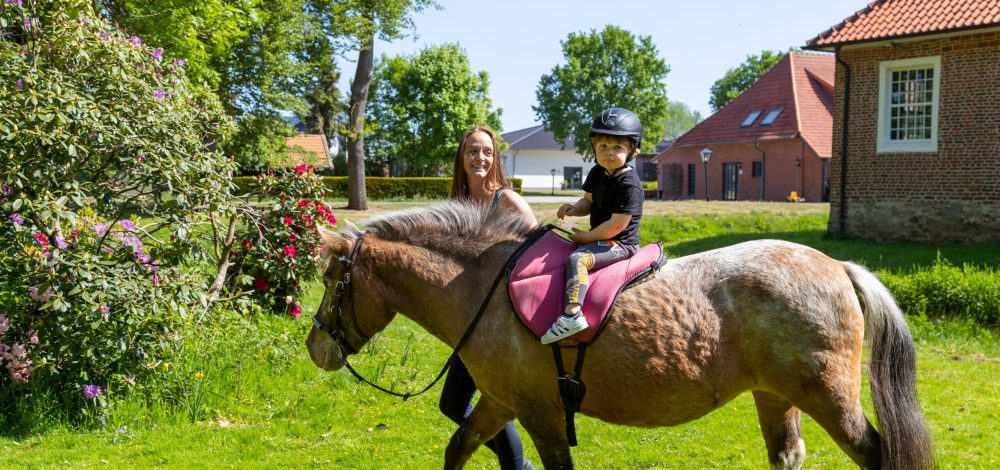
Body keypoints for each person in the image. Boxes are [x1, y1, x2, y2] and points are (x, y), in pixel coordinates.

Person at [442, 125, 537, 470]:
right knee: (452, 404)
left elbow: (540, 249)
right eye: (472, 151)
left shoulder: (506, 200)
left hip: (502, 321)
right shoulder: (457, 205)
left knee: (495, 402)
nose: (479, 157)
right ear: (461, 157)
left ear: (495, 157)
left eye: (486, 151)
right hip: (469, 320)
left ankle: (518, 467)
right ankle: (521, 466)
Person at [541, 108, 645, 344]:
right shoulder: (598, 172)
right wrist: (574, 209)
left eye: (617, 148)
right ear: (594, 149)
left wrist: (587, 238)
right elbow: (588, 201)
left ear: (632, 150)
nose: (609, 153)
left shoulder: (629, 184)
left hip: (620, 243)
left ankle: (572, 315)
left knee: (578, 259)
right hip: (601, 237)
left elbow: (617, 225)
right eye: (603, 147)